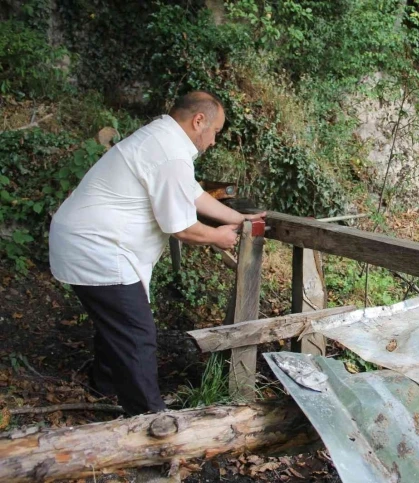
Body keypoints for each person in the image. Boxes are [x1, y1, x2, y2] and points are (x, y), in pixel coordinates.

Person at [49, 91, 265, 415]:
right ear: (199, 121)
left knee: (118, 323)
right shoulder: (169, 153)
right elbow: (182, 227)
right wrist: (218, 237)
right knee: (137, 332)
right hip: (98, 247)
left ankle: (104, 385)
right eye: (216, 131)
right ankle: (150, 421)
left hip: (90, 241)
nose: (214, 141)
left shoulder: (163, 141)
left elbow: (192, 194)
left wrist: (238, 219)